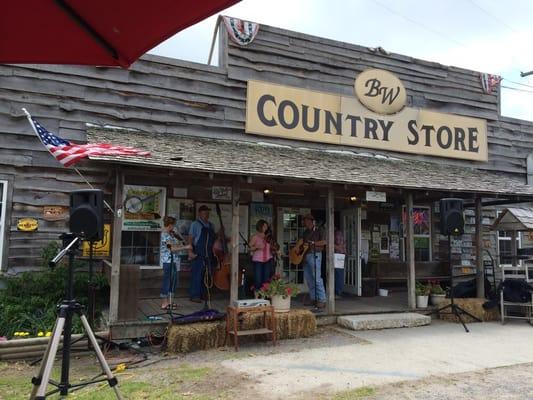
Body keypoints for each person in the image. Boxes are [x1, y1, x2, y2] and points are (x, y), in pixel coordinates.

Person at [187, 205, 216, 303]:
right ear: (199, 213)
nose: (206, 215)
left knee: (207, 274)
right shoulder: (195, 224)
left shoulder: (211, 225)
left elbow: (214, 240)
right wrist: (190, 252)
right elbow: (190, 238)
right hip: (198, 251)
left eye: (207, 213)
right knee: (197, 274)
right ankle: (195, 295)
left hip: (209, 252)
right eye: (204, 213)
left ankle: (204, 294)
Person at [302, 214, 327, 308]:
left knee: (317, 278)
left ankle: (322, 299)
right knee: (309, 279)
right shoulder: (305, 232)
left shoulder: (319, 230)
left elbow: (325, 242)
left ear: (312, 221)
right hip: (306, 256)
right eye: (305, 221)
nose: (305, 222)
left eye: (307, 221)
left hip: (315, 254)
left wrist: (313, 243)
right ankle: (314, 298)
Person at [160, 216, 180, 310]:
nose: (174, 227)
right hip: (167, 261)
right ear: (170, 225)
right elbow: (171, 248)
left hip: (174, 260)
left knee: (173, 281)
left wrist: (177, 236)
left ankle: (170, 302)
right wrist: (186, 247)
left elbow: (178, 243)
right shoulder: (164, 235)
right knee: (167, 281)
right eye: (173, 225)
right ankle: (164, 303)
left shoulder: (171, 234)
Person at [249, 219, 274, 292]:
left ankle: (264, 298)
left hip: (268, 259)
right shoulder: (255, 236)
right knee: (258, 280)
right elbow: (249, 248)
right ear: (260, 226)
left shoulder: (268, 236)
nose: (266, 228)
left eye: (266, 226)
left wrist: (275, 249)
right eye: (264, 226)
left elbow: (272, 247)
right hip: (258, 261)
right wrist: (257, 247)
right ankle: (257, 298)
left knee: (266, 280)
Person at [334, 226, 346, 299]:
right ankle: (338, 291)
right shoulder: (340, 234)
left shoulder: (337, 234)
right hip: (340, 255)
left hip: (338, 255)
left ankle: (338, 292)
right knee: (338, 274)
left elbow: (339, 246)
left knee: (338, 274)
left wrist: (331, 243)